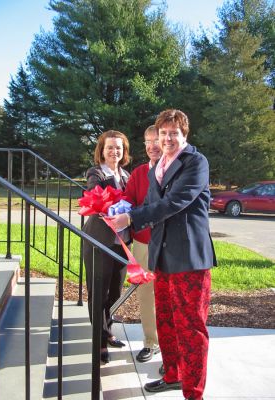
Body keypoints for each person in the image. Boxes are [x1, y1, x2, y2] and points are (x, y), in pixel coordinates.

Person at [109, 109, 217, 400]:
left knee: (191, 327)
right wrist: (120, 211)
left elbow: (175, 202)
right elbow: (146, 204)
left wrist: (131, 218)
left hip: (189, 258)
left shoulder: (195, 162)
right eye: (163, 133)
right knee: (166, 321)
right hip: (161, 256)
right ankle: (172, 375)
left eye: (174, 133)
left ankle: (193, 393)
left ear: (184, 135)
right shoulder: (158, 166)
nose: (167, 138)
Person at [82, 130, 131, 364]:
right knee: (98, 292)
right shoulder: (96, 172)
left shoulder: (127, 175)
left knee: (115, 292)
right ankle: (99, 340)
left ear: (124, 151)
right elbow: (95, 193)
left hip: (122, 243)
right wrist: (115, 182)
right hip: (99, 242)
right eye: (109, 147)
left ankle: (107, 328)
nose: (114, 152)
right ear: (101, 150)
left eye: (118, 148)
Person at [123, 125, 162, 362]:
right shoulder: (138, 173)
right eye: (147, 141)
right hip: (143, 243)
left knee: (169, 296)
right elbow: (128, 199)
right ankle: (151, 342)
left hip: (170, 245)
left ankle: (171, 346)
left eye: (156, 140)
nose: (151, 146)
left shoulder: (175, 172)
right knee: (146, 295)